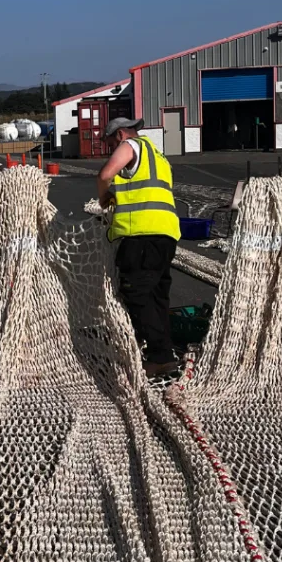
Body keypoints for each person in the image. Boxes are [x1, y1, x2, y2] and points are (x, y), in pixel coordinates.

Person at [96, 117, 181, 377]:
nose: (112, 149)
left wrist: (104, 197)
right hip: (166, 233)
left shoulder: (131, 145)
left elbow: (106, 174)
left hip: (141, 235)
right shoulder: (159, 157)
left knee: (137, 295)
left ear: (121, 134)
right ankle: (160, 353)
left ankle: (160, 357)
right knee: (157, 297)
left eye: (111, 143)